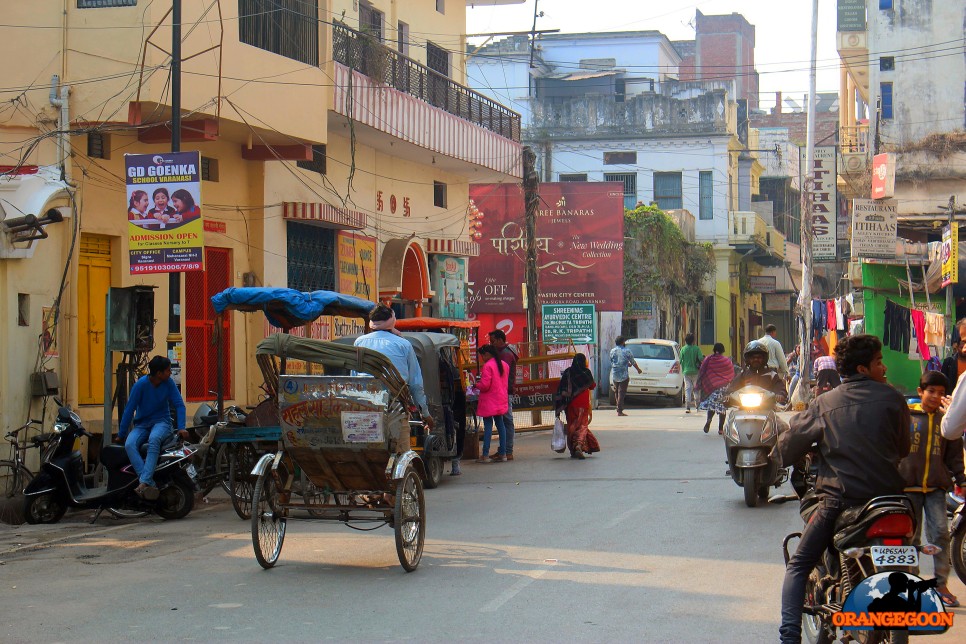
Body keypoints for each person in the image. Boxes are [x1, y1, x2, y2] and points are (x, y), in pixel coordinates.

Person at [774, 334, 911, 643]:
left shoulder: (825, 403)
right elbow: (902, 447)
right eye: (879, 362)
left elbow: (790, 445)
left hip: (840, 499)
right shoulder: (894, 399)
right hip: (892, 500)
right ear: (863, 368)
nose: (884, 367)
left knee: (798, 565)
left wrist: (780, 457)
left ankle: (788, 638)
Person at [901, 371, 964, 607]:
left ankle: (940, 585)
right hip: (909, 487)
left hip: (937, 487)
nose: (936, 397)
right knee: (911, 538)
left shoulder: (947, 421)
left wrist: (961, 479)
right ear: (920, 392)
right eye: (931, 392)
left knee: (940, 534)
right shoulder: (907, 416)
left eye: (941, 393)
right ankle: (912, 585)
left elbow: (955, 456)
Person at [116, 355, 187, 500]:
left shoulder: (169, 384)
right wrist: (121, 433)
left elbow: (179, 405)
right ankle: (149, 483)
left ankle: (143, 482)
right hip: (142, 424)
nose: (169, 373)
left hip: (162, 422)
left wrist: (181, 427)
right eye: (167, 371)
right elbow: (130, 409)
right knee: (129, 444)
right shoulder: (140, 385)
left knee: (154, 439)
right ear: (159, 373)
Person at [353, 305, 434, 430]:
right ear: (392, 321)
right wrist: (425, 414)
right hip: (395, 407)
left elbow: (353, 377)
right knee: (402, 448)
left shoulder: (359, 342)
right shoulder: (404, 344)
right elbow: (416, 384)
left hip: (365, 404)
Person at [553, 353, 599, 459]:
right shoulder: (586, 372)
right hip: (583, 404)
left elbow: (561, 388)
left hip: (570, 405)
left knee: (572, 426)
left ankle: (573, 450)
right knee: (582, 426)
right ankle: (578, 444)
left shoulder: (568, 372)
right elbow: (592, 386)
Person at [475, 344, 510, 463]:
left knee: (488, 426)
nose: (482, 358)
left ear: (487, 354)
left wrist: (476, 385)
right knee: (501, 426)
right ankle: (503, 453)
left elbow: (485, 386)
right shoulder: (504, 365)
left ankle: (485, 455)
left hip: (489, 401)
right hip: (501, 399)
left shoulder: (487, 366)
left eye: (482, 355)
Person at [488, 329, 518, 460]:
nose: (491, 344)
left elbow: (502, 374)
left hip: (504, 391)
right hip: (503, 391)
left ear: (500, 340)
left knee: (506, 420)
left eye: (493, 341)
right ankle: (504, 449)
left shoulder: (505, 354)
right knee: (504, 421)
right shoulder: (504, 352)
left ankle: (507, 450)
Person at [695, 342, 734, 434]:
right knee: (722, 408)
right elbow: (731, 373)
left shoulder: (708, 359)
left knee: (712, 406)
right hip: (723, 388)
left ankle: (709, 420)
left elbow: (702, 370)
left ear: (714, 349)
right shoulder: (726, 361)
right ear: (723, 350)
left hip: (712, 387)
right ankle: (720, 429)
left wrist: (699, 383)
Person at [609, 335, 642, 416]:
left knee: (617, 391)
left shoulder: (612, 351)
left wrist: (626, 364)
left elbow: (613, 361)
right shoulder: (627, 351)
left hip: (615, 373)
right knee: (621, 392)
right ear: (623, 342)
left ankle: (618, 408)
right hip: (623, 374)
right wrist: (638, 369)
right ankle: (619, 410)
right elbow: (633, 362)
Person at [940, 319, 966, 391]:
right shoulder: (949, 362)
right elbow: (942, 383)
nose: (964, 349)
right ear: (957, 346)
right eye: (963, 343)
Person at [679, 333, 703, 413]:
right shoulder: (697, 349)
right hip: (696, 372)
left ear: (685, 341)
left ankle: (688, 407)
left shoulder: (683, 349)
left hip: (686, 371)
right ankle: (697, 407)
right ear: (693, 340)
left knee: (687, 389)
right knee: (696, 389)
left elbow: (680, 360)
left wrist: (683, 366)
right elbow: (701, 359)